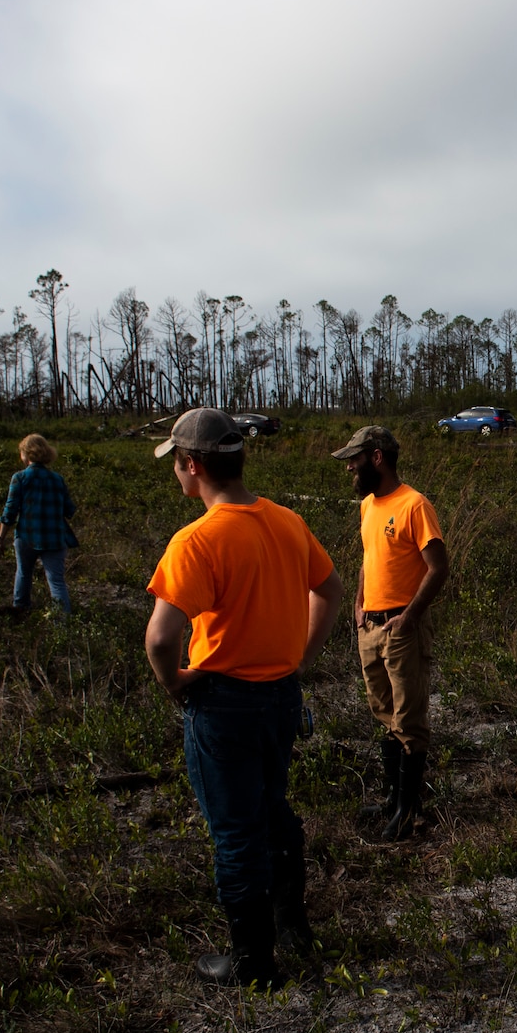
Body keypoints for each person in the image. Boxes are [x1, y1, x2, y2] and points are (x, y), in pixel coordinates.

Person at [145, 408, 345, 989]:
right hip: (280, 700)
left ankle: (254, 964)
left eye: (176, 464)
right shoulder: (286, 521)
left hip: (224, 703)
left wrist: (175, 681)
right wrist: (300, 662)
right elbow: (330, 592)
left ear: (193, 465)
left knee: (236, 832)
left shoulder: (197, 540)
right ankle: (292, 928)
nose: (177, 474)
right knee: (273, 812)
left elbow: (160, 638)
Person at [333, 425, 449, 843]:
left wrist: (410, 618)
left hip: (402, 627)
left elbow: (438, 567)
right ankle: (392, 798)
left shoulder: (414, 505)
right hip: (371, 625)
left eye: (355, 459)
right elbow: (369, 557)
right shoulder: (368, 505)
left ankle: (407, 810)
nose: (349, 467)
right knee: (384, 713)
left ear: (377, 457)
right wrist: (359, 603)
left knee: (410, 720)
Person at [0, 433, 78, 616]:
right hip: (55, 538)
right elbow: (69, 509)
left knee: (23, 574)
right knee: (56, 582)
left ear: (26, 454)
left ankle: (20, 613)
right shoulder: (57, 479)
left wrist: (1, 538)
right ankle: (62, 624)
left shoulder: (20, 478)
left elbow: (10, 511)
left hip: (27, 536)